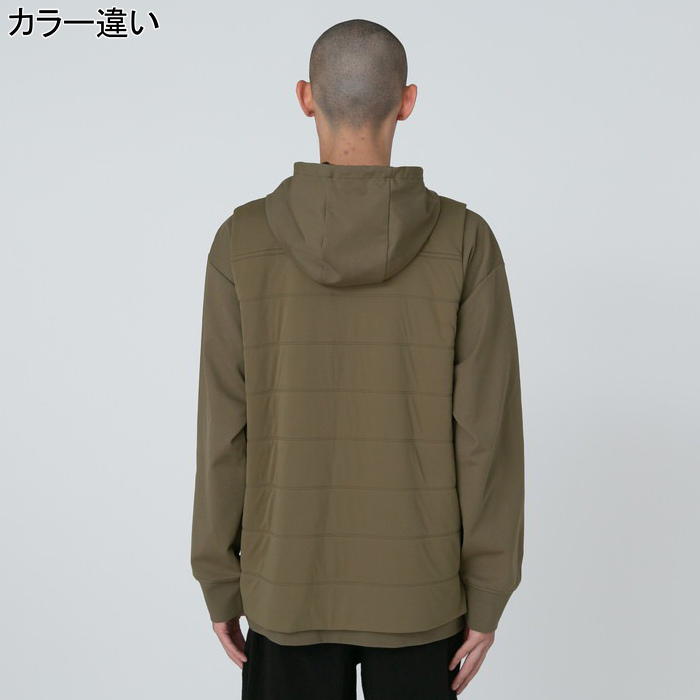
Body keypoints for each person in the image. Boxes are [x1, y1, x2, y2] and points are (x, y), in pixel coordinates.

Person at [190, 18, 525, 700]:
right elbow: (486, 437)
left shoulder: (241, 242)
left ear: (305, 97)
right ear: (407, 102)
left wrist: (219, 579)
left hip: (286, 587)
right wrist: (489, 593)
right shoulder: (465, 242)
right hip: (421, 591)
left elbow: (224, 433)